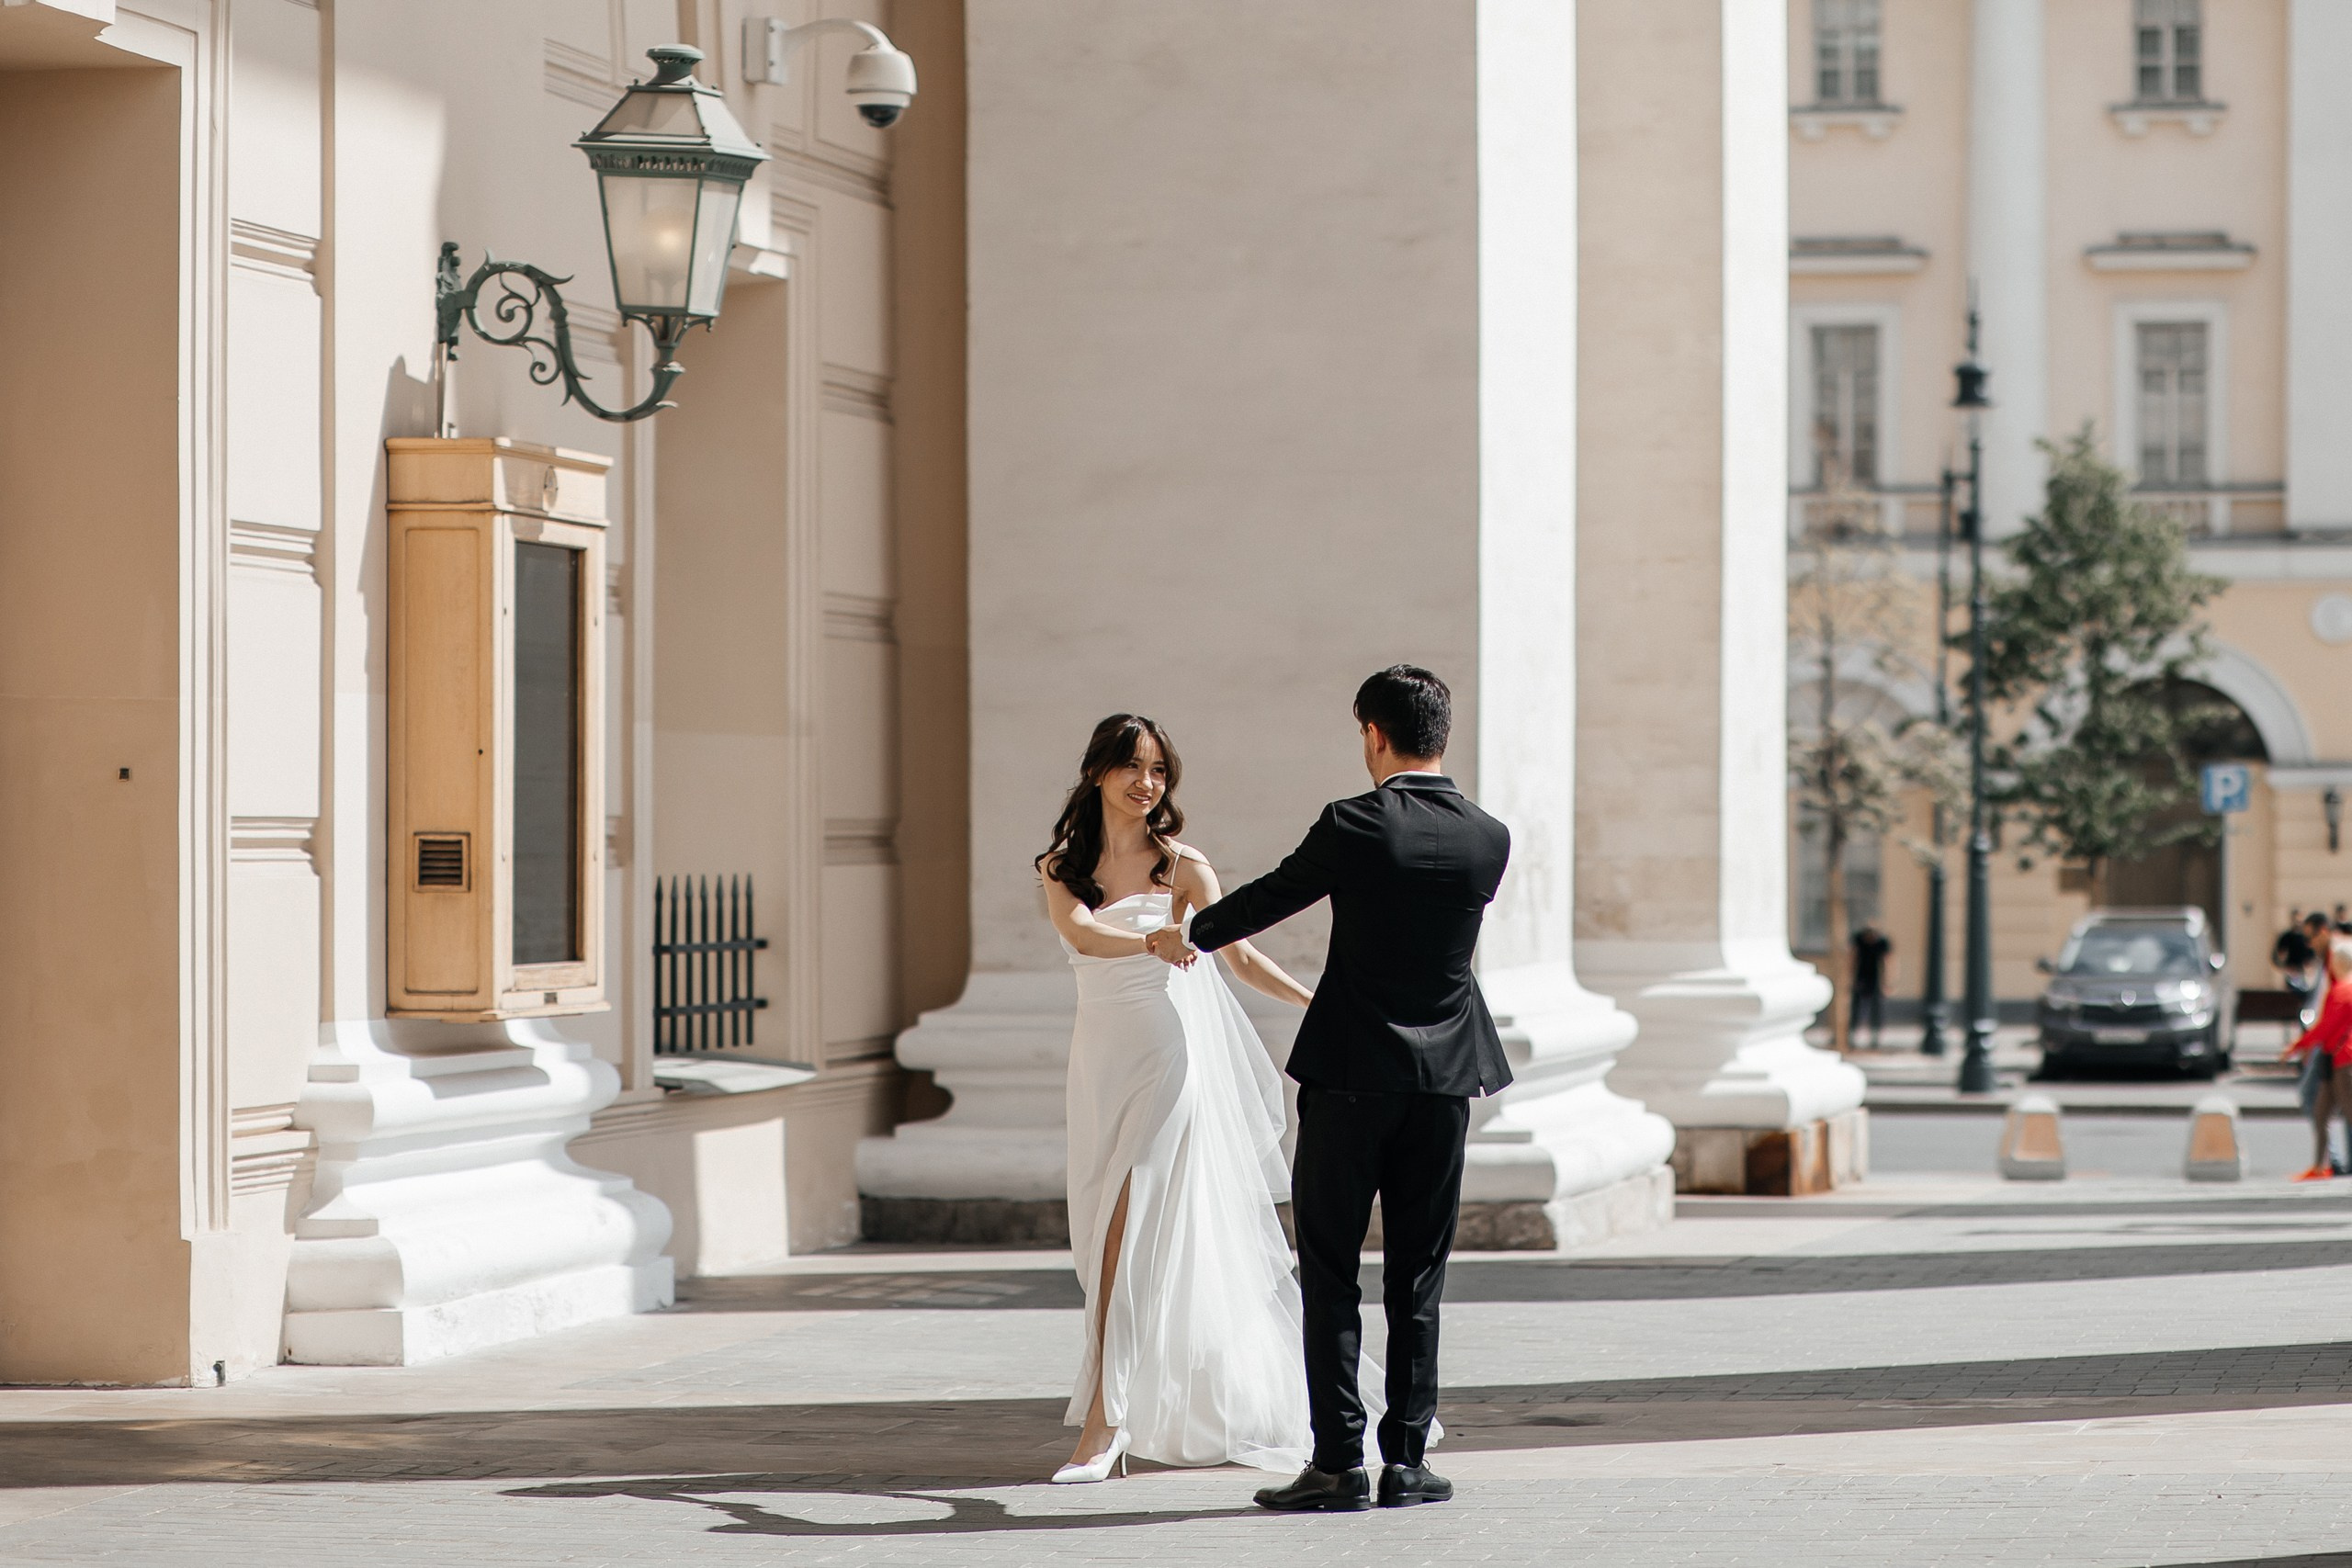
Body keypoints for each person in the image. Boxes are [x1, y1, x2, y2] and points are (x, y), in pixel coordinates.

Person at [1157, 665, 1510, 1514]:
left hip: (1353, 1074)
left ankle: (1338, 1460)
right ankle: (1409, 1462)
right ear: (1443, 735)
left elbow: (1276, 896)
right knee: (1419, 1275)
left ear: (1372, 735)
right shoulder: (1488, 836)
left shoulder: (1354, 822)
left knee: (1329, 1270)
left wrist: (1191, 934)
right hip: (1445, 1079)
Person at [1036, 713, 1317, 1483]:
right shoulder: (1061, 865)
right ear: (1098, 771)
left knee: (1126, 1233)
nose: (1146, 782)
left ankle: (1105, 1424)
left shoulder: (1184, 869)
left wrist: (1314, 1002)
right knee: (1101, 1244)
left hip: (1168, 1060)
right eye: (1131, 765)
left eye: (1158, 770)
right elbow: (1084, 934)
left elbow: (1242, 955)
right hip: (1099, 1068)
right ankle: (1150, 1397)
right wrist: (1153, 939)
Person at [2284, 935, 2352, 1182]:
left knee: (2346, 1111)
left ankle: (2321, 1165)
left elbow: (2325, 1027)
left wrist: (2298, 1045)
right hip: (2334, 1060)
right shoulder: (2343, 988)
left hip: (2344, 1060)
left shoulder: (2343, 991)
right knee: (2321, 1111)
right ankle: (2319, 1165)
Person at [1849, 924, 1894, 1050]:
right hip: (1861, 977)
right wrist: (1851, 978)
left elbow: (1887, 962)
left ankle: (1875, 1036)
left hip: (1876, 979)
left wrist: (1886, 982)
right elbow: (1853, 958)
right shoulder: (1859, 940)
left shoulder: (1882, 943)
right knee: (1856, 1007)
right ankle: (1852, 1034)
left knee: (1877, 1008)